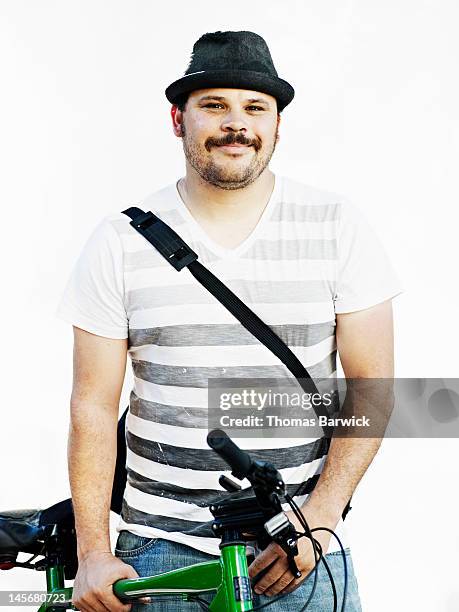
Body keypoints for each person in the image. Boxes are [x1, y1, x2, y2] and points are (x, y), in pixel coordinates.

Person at [57, 30, 403, 612]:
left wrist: (318, 522)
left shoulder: (337, 226)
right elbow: (91, 403)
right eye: (214, 105)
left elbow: (373, 388)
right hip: (158, 554)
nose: (235, 124)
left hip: (300, 551)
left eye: (254, 108)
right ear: (178, 120)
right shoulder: (119, 240)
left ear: (276, 125)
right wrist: (93, 548)